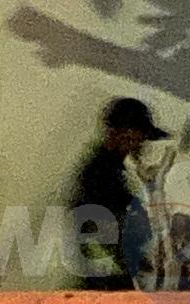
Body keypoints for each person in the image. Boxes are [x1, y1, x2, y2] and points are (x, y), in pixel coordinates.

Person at [72, 97, 169, 290]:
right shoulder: (101, 176)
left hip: (110, 282)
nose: (142, 144)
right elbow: (107, 233)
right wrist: (144, 266)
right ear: (122, 134)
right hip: (108, 287)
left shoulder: (109, 171)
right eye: (139, 136)